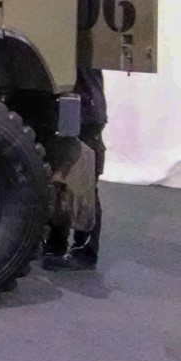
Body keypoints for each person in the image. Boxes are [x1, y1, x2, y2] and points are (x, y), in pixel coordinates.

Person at [44, 68, 106, 271]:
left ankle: (85, 251)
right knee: (59, 181)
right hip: (74, 109)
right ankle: (56, 243)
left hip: (84, 111)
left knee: (84, 186)